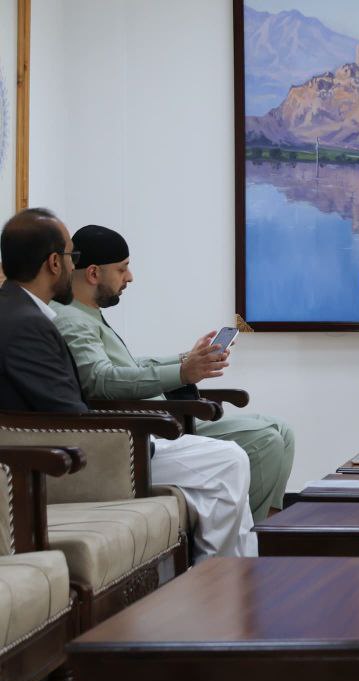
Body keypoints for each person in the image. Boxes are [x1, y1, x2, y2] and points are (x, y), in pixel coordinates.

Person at [0, 208, 256, 559]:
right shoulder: (27, 324)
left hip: (83, 443)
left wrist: (181, 365)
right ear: (54, 263)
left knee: (223, 468)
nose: (75, 266)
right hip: (85, 456)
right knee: (229, 460)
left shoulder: (18, 311)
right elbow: (67, 415)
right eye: (72, 256)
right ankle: (219, 578)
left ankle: (228, 574)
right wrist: (134, 427)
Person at [52, 225, 294, 521]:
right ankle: (255, 535)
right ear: (93, 273)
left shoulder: (88, 314)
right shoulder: (72, 321)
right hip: (151, 427)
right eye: (122, 269)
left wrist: (186, 359)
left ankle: (267, 529)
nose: (130, 277)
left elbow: (127, 366)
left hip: (162, 416)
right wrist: (182, 373)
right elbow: (102, 380)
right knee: (266, 440)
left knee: (283, 431)